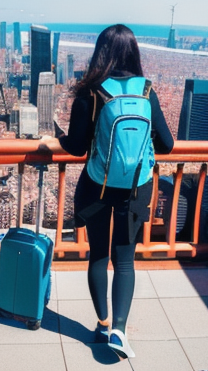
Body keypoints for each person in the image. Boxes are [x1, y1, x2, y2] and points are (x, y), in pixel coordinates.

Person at [40, 24, 174, 358]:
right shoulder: (146, 92)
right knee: (125, 262)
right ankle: (120, 330)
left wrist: (50, 141)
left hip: (98, 186)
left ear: (101, 52)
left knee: (99, 256)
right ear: (135, 52)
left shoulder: (92, 92)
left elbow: (76, 146)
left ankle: (101, 324)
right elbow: (168, 145)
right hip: (135, 188)